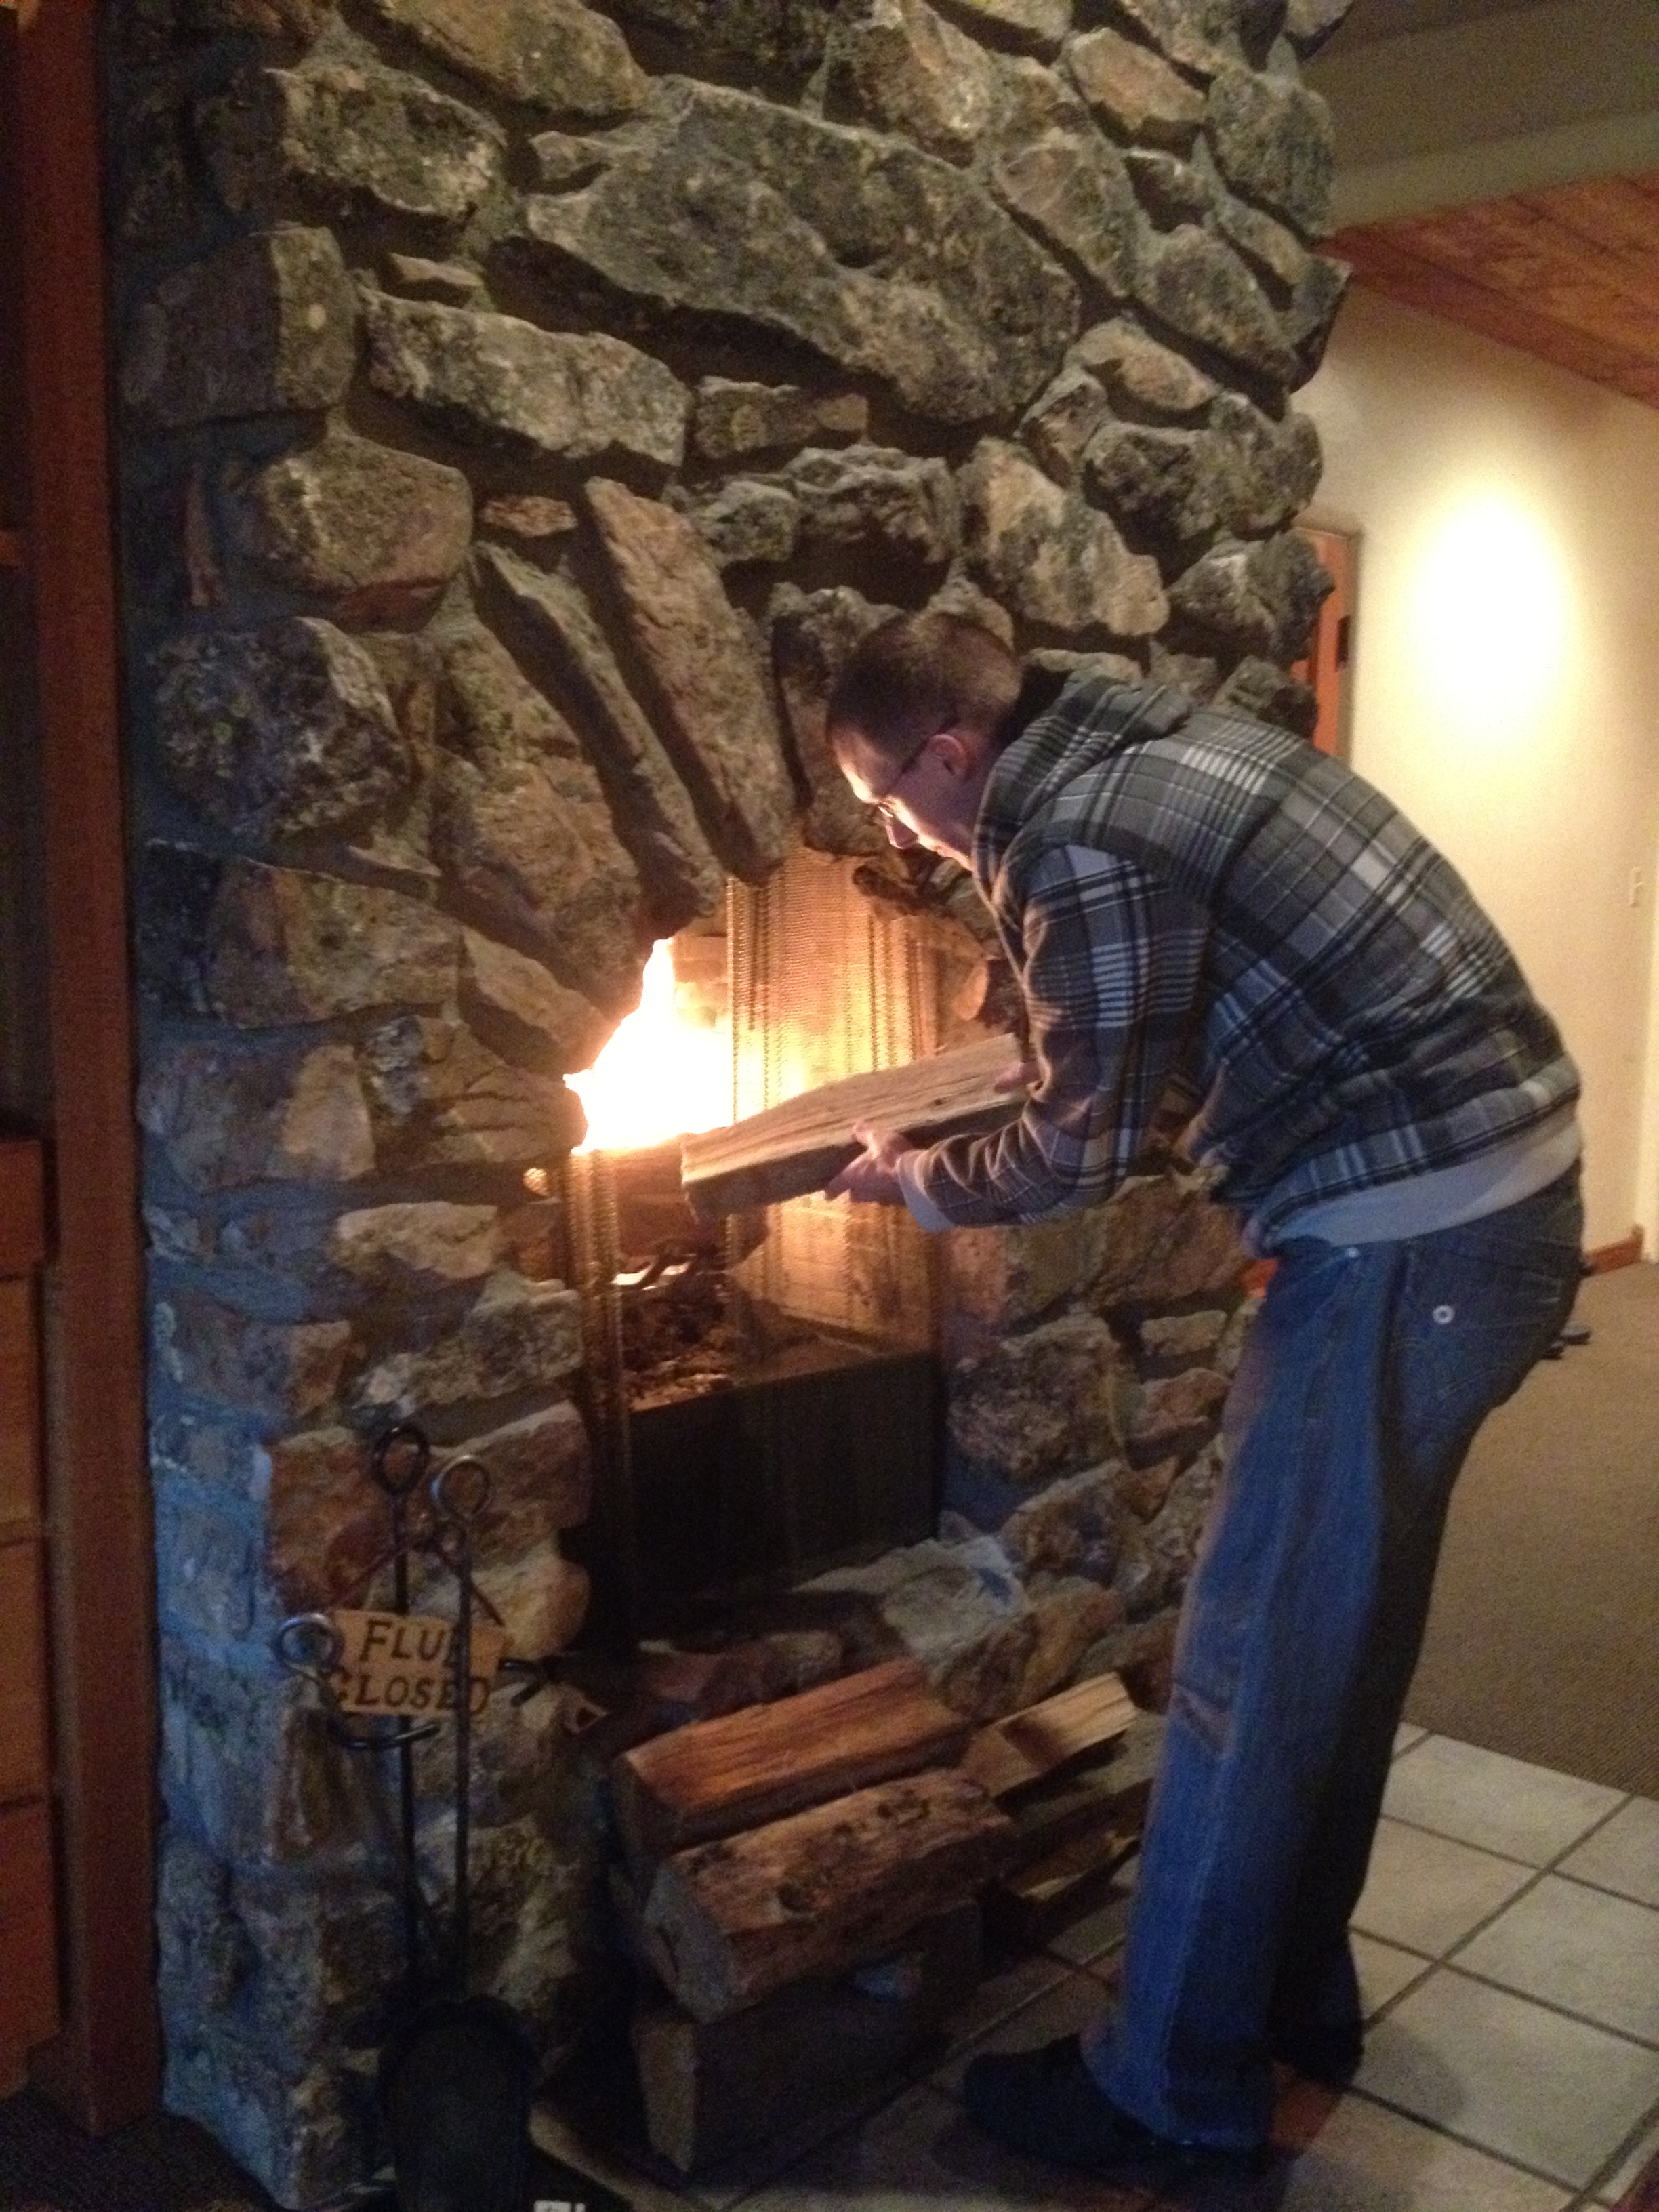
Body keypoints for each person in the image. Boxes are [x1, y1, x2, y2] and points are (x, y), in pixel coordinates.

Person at [822, 611, 1584, 2181]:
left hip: (1406, 1254)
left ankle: (1170, 2098)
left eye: (892, 802)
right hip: (1490, 1213)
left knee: (1246, 1669)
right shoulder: (1148, 737)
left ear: (951, 753)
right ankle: (1289, 2006)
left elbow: (1081, 1150)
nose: (901, 839)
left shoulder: (1078, 837)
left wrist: (916, 1182)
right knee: (1331, 1646)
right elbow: (1143, 1036)